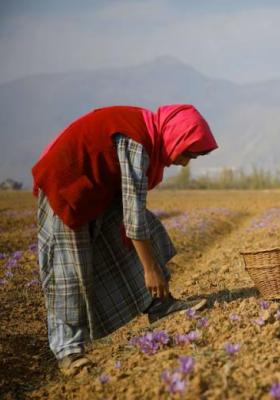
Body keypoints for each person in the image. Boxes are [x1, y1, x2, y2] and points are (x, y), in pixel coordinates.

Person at [32, 104, 218, 374]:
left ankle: (158, 303)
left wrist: (150, 264)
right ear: (175, 136)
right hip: (65, 188)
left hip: (94, 189)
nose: (185, 162)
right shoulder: (136, 142)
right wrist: (150, 269)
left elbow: (134, 215)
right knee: (69, 272)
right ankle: (68, 350)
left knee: (140, 233)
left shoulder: (146, 132)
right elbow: (133, 217)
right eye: (187, 153)